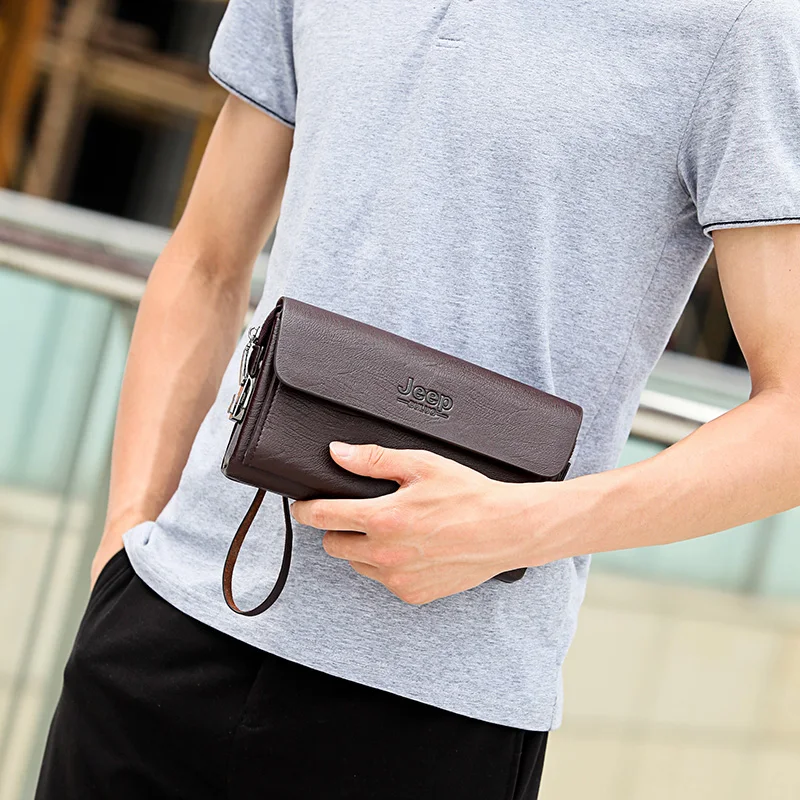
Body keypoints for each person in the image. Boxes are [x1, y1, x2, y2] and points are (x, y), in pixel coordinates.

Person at [35, 0, 800, 797]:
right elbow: (206, 260)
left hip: (438, 707)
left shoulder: (739, 26)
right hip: (167, 624)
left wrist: (517, 526)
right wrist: (126, 538)